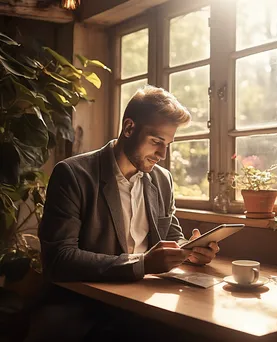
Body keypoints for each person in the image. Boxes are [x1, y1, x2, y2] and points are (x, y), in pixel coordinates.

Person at [25, 86, 219, 341]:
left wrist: (190, 251)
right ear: (129, 128)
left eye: (168, 144)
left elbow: (172, 236)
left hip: (145, 301)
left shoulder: (163, 180)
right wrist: (142, 264)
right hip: (84, 305)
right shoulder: (72, 174)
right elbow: (59, 260)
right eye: (156, 141)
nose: (162, 155)